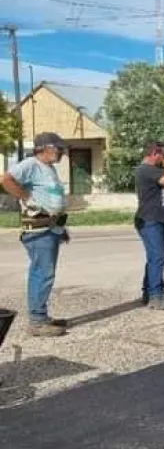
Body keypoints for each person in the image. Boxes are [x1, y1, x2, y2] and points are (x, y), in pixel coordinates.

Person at [1, 132, 70, 336]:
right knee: (43, 273)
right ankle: (37, 321)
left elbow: (54, 202)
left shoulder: (48, 169)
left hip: (51, 228)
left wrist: (61, 227)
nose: (61, 153)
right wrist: (26, 196)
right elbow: (6, 180)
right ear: (45, 148)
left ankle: (41, 316)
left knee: (42, 272)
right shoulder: (30, 164)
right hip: (39, 230)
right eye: (58, 148)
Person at [134, 142, 164, 310]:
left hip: (156, 218)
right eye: (163, 155)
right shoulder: (147, 170)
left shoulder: (150, 170)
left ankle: (150, 292)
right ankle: (155, 296)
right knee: (159, 256)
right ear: (154, 153)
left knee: (155, 257)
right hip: (150, 219)